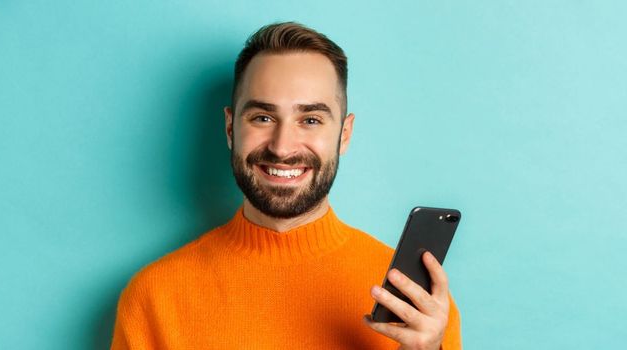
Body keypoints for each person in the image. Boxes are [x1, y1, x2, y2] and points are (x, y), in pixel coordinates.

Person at [110, 21, 461, 349]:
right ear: (231, 129)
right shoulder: (153, 297)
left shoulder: (415, 302)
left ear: (345, 134)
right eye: (263, 117)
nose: (282, 147)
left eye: (310, 119)